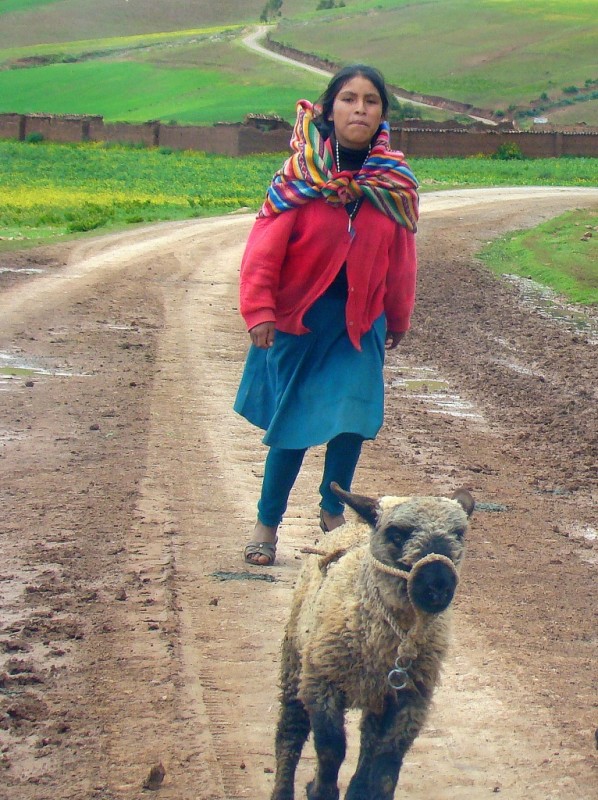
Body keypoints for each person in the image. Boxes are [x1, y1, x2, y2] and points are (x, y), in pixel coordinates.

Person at [234, 64, 419, 566]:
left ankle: (333, 513)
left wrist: (398, 317)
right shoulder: (299, 175)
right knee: (292, 426)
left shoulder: (394, 184)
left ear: (382, 113)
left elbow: (400, 258)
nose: (360, 109)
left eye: (371, 101)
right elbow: (263, 251)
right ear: (328, 108)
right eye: (349, 99)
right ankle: (266, 525)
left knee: (352, 421)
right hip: (302, 320)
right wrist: (259, 311)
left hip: (361, 321)